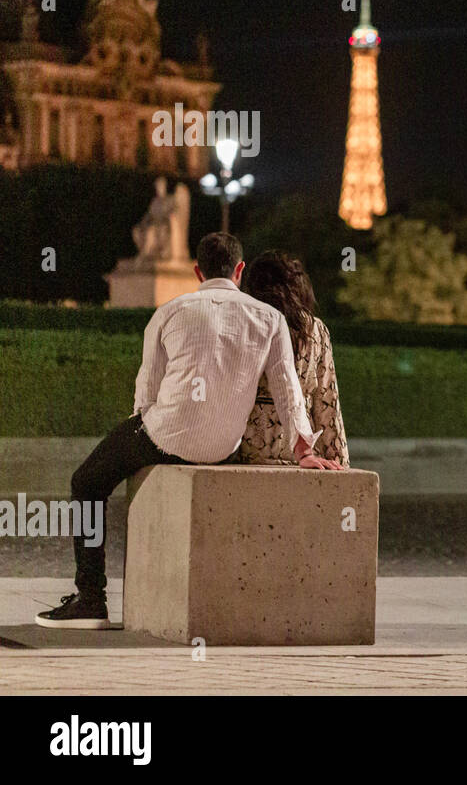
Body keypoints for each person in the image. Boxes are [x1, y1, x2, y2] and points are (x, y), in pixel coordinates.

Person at [37, 232, 343, 630]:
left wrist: (142, 432)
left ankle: (91, 597)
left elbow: (146, 394)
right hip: (224, 445)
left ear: (197, 271)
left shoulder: (169, 311)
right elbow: (289, 391)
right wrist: (304, 451)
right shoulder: (269, 319)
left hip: (165, 439)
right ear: (239, 270)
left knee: (86, 483)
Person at [238, 251, 349, 469]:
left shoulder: (245, 322)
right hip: (298, 449)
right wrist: (340, 461)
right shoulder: (314, 329)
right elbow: (326, 399)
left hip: (246, 445)